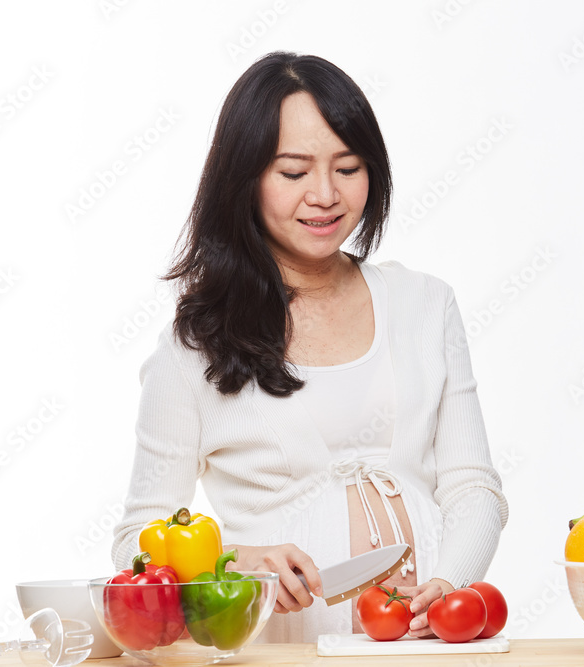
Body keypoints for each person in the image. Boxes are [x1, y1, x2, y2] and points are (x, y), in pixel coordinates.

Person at [111, 51, 508, 643]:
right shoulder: (194, 343)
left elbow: (473, 486)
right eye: (294, 173)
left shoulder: (426, 304)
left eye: (347, 168)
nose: (324, 195)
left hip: (425, 650)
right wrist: (237, 559)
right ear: (245, 180)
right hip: (279, 650)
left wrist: (449, 585)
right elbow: (136, 541)